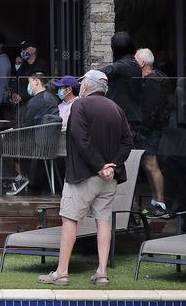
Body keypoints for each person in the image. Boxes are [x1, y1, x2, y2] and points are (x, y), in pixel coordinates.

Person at [37, 69, 132, 286]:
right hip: (109, 179)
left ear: (88, 86)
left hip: (83, 175)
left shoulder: (80, 105)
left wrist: (99, 166)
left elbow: (80, 138)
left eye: (83, 84)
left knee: (70, 219)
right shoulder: (116, 108)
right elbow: (127, 142)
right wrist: (111, 166)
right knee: (104, 221)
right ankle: (102, 272)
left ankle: (61, 272)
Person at [0, 72, 58, 196]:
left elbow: (26, 125)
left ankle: (17, 178)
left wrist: (11, 132)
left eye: (29, 82)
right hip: (38, 140)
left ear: (36, 81)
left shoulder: (36, 101)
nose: (28, 85)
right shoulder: (49, 98)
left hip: (27, 142)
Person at [136, 47, 172, 219]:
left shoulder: (153, 82)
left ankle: (160, 203)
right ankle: (155, 202)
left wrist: (144, 129)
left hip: (152, 129)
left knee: (151, 164)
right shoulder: (158, 78)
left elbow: (151, 108)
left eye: (135, 60)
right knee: (148, 164)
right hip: (154, 127)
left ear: (142, 63)